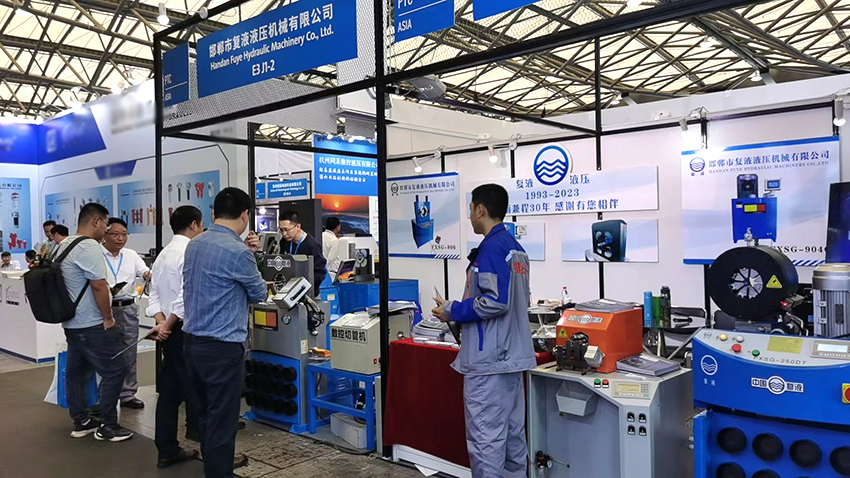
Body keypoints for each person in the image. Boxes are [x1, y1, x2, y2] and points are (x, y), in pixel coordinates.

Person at [431, 184, 535, 478]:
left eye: (470, 210)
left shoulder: (491, 248)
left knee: (486, 442)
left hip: (489, 361)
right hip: (510, 358)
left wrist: (453, 310)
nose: (469, 217)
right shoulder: (516, 249)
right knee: (513, 440)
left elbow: (495, 301)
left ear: (480, 210)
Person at [183, 187, 266, 478]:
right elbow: (259, 293)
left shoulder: (195, 243)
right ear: (245, 215)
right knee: (223, 420)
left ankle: (213, 468)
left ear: (214, 213)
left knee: (206, 415)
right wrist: (252, 256)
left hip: (192, 343)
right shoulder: (238, 251)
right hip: (222, 348)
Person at [56, 203, 132, 442]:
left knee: (76, 373)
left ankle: (81, 421)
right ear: (96, 221)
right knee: (116, 369)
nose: (106, 230)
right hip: (91, 323)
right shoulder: (88, 246)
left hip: (72, 322)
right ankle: (108, 425)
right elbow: (98, 285)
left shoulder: (64, 244)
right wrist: (108, 318)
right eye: (106, 224)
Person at [147, 206, 204, 468]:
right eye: (201, 225)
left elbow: (154, 294)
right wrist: (168, 325)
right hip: (183, 330)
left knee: (169, 394)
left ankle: (167, 449)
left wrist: (161, 323)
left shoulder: (163, 254)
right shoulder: (189, 252)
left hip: (168, 332)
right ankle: (216, 458)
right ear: (193, 225)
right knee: (200, 394)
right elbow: (185, 297)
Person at [102, 217, 151, 409]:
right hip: (104, 308)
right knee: (104, 351)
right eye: (115, 234)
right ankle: (103, 395)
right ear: (105, 234)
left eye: (124, 234)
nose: (120, 238)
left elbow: (144, 272)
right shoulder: (97, 254)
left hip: (128, 308)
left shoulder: (131, 255)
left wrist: (148, 274)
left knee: (129, 351)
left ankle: (128, 393)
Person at [279, 210, 326, 294]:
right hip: (288, 290)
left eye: (287, 230)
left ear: (298, 226)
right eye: (281, 230)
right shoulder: (284, 242)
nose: (284, 234)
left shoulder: (312, 246)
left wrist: (305, 284)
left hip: (308, 292)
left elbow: (320, 272)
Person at [322, 217, 342, 281]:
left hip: (322, 270)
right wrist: (325, 272)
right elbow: (331, 259)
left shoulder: (320, 236)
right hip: (331, 274)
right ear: (337, 226)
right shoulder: (334, 240)